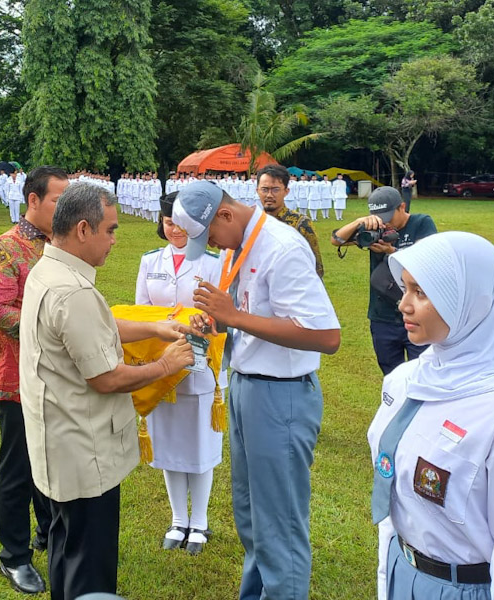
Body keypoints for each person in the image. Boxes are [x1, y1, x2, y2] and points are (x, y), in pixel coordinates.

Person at [20, 183, 195, 600]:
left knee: (67, 546)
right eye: (111, 230)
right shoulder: (73, 291)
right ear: (83, 229)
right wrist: (165, 365)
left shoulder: (50, 270)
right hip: (85, 450)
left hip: (60, 443)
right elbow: (106, 378)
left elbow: (93, 330)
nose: (116, 241)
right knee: (89, 566)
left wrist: (153, 327)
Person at [368, 231, 494, 600]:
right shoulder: (409, 379)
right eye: (405, 289)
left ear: (471, 302)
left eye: (421, 293)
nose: (403, 306)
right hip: (402, 567)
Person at [173, 180, 341, 600]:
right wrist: (219, 322)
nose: (212, 244)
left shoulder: (282, 248)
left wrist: (236, 317)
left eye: (210, 235)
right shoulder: (239, 244)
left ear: (226, 215)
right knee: (251, 517)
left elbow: (326, 336)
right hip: (248, 386)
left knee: (278, 524)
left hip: (280, 396)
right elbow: (251, 314)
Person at [0, 166, 69, 595]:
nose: (65, 208)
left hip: (54, 378)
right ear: (33, 201)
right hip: (16, 379)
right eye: (57, 200)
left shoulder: (60, 247)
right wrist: (45, 325)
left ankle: (48, 534)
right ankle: (14, 556)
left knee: (48, 463)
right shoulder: (7, 250)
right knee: (17, 469)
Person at [135, 193, 226, 555]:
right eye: (168, 222)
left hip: (203, 366)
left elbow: (220, 315)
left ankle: (200, 522)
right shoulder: (150, 262)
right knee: (170, 444)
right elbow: (141, 314)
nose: (174, 229)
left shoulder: (213, 263)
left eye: (180, 222)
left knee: (200, 444)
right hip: (163, 364)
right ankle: (178, 519)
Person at [331, 186, 437, 375]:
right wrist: (359, 222)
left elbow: (427, 259)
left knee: (424, 372)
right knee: (391, 374)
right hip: (383, 314)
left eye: (389, 217)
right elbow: (337, 240)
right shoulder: (374, 227)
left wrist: (391, 251)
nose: (386, 223)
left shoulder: (421, 223)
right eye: (381, 218)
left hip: (418, 312)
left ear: (402, 207)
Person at [256, 164, 324, 278]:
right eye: (264, 189)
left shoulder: (300, 223)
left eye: (275, 190)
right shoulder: (252, 222)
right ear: (257, 190)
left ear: (286, 191)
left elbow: (316, 267)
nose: (269, 195)